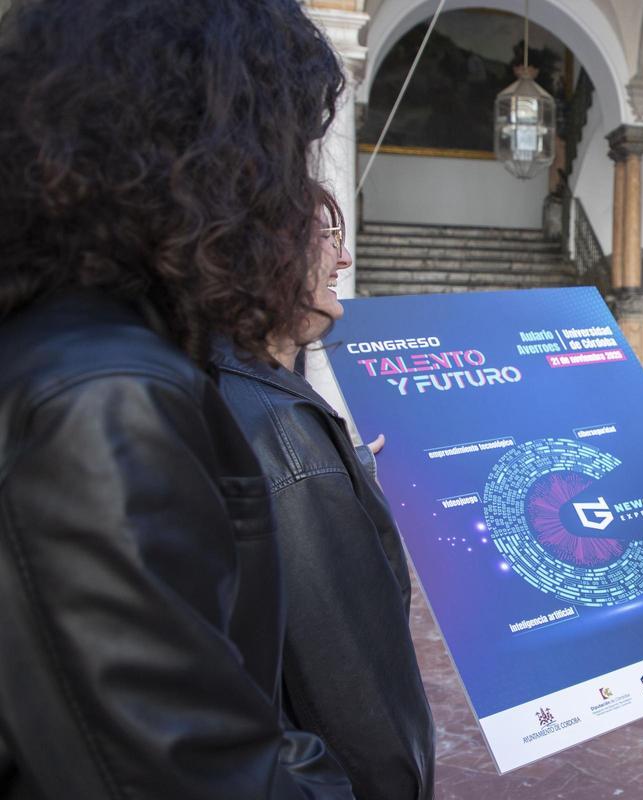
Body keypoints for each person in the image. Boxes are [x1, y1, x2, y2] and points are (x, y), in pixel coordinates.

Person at [0, 1, 356, 797]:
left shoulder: (70, 346)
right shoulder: (108, 395)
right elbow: (193, 768)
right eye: (285, 152)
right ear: (219, 160)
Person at [213, 189, 436, 800]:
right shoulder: (284, 434)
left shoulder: (212, 380)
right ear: (264, 252)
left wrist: (347, 472)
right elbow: (357, 694)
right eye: (327, 238)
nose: (343, 260)